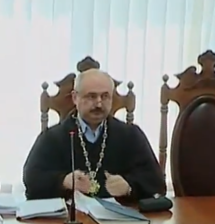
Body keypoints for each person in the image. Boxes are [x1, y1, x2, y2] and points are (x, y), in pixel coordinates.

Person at [22, 69, 166, 200]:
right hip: (69, 218)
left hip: (118, 219)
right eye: (91, 96)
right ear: (75, 98)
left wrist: (129, 186)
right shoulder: (52, 138)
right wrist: (63, 181)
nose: (99, 104)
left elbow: (156, 182)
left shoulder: (130, 136)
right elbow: (32, 180)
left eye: (105, 96)